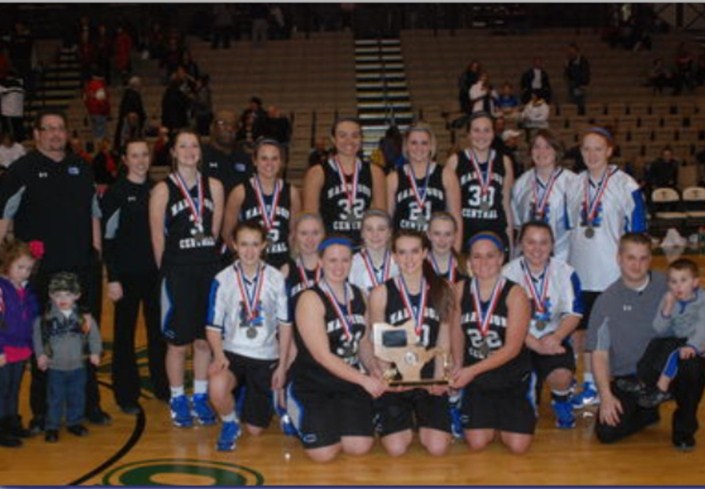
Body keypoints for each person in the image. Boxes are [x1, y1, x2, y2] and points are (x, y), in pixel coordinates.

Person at [0, 110, 110, 432]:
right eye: (47, 129)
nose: (55, 134)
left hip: (82, 269)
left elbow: (94, 214)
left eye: (60, 128)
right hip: (41, 273)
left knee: (86, 339)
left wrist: (97, 254)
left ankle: (89, 405)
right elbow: (4, 216)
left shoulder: (82, 167)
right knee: (42, 341)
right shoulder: (22, 170)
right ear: (36, 134)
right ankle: (41, 413)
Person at [587, 233, 704, 451]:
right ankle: (647, 410)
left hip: (669, 368)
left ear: (650, 259)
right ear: (619, 258)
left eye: (643, 258)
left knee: (694, 365)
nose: (637, 265)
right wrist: (606, 396)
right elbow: (599, 353)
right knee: (607, 432)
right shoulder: (606, 301)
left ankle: (684, 430)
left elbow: (699, 309)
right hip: (630, 379)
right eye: (631, 258)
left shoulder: (669, 284)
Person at [285, 237, 387, 462]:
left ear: (352, 261)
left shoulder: (359, 294)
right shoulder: (310, 298)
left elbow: (363, 343)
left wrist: (372, 368)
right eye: (332, 260)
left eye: (344, 260)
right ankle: (289, 403)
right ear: (320, 261)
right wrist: (364, 380)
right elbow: (322, 356)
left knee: (359, 446)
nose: (339, 266)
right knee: (324, 454)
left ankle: (334, 417)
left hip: (348, 382)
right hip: (313, 383)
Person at [149, 129, 224, 428]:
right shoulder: (163, 190)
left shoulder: (215, 186)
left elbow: (215, 233)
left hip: (208, 270)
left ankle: (201, 397)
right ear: (174, 152)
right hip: (177, 272)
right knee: (178, 344)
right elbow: (157, 239)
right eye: (183, 145)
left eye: (194, 145)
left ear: (200, 152)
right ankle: (178, 398)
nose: (189, 150)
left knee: (204, 341)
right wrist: (167, 274)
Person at [568, 127, 647, 410]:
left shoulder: (626, 185)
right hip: (580, 271)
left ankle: (616, 382)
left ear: (610, 150)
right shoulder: (574, 183)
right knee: (585, 333)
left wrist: (635, 273)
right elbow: (569, 229)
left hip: (612, 274)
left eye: (598, 148)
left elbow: (638, 231)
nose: (592, 154)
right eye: (586, 149)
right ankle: (589, 384)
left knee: (611, 333)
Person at [206, 221, 292, 451]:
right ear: (234, 245)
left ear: (264, 245)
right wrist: (218, 355)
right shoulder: (222, 279)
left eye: (255, 244)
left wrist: (282, 366)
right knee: (215, 386)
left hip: (265, 356)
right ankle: (230, 422)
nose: (249, 251)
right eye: (244, 244)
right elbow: (213, 327)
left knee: (255, 430)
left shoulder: (276, 279)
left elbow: (285, 326)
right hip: (233, 352)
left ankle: (271, 397)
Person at [368, 229, 455, 456]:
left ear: (425, 253)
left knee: (437, 448)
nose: (409, 259)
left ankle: (428, 418)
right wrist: (389, 379)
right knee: (396, 449)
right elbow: (381, 342)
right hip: (398, 379)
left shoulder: (442, 288)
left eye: (415, 251)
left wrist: (442, 377)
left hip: (429, 377)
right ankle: (397, 419)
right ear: (394, 256)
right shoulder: (381, 293)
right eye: (402, 253)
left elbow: (443, 337)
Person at [450, 232, 534, 454]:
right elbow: (457, 332)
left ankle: (528, 397)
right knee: (477, 443)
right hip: (478, 379)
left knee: (518, 446)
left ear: (500, 259)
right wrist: (459, 364)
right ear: (469, 261)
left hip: (510, 376)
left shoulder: (516, 294)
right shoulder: (459, 289)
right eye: (477, 256)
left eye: (490, 256)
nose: (483, 262)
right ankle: (468, 405)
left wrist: (470, 370)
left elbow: (512, 349)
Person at [101, 139, 168, 411]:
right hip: (126, 277)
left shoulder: (159, 190)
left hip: (155, 275)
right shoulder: (116, 193)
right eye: (134, 156)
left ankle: (163, 386)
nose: (140, 160)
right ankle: (126, 395)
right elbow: (107, 238)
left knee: (159, 334)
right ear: (125, 160)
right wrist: (112, 277)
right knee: (124, 336)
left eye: (144, 155)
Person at [502, 222, 584, 429]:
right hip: (520, 340)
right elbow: (505, 319)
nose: (537, 249)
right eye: (530, 242)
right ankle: (528, 390)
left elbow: (574, 314)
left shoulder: (566, 272)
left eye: (543, 242)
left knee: (561, 376)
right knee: (521, 405)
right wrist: (533, 343)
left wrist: (556, 337)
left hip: (553, 337)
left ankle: (561, 400)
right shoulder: (508, 274)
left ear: (552, 245)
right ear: (521, 243)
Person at [624, 258, 705, 411]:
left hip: (697, 342)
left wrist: (693, 345)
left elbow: (703, 326)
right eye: (673, 281)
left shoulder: (702, 301)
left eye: (683, 280)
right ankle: (641, 380)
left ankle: (662, 388)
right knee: (653, 343)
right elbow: (659, 329)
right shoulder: (668, 298)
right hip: (677, 338)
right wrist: (667, 308)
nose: (678, 286)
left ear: (695, 282)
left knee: (673, 351)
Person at [33, 272, 102, 443]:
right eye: (57, 295)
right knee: (55, 398)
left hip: (78, 366)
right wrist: (41, 355)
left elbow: (94, 336)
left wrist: (95, 352)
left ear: (77, 295)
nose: (62, 299)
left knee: (77, 395)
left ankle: (74, 422)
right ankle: (52, 426)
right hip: (55, 367)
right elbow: (38, 338)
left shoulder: (84, 318)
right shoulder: (46, 319)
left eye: (67, 295)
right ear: (51, 295)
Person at [302, 117, 386, 248]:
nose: (349, 141)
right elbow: (311, 220)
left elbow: (381, 217)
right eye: (342, 136)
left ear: (361, 139)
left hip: (365, 248)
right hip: (331, 249)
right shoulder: (317, 172)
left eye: (355, 135)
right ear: (333, 139)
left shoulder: (375, 172)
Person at [222, 138, 300, 270]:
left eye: (274, 158)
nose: (269, 163)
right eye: (264, 158)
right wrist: (244, 257)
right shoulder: (240, 192)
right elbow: (227, 233)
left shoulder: (292, 192)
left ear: (281, 162)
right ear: (255, 161)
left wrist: (289, 261)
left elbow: (294, 233)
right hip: (250, 263)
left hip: (281, 263)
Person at [444, 112, 515, 254]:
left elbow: (506, 206)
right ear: (468, 134)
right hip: (465, 235)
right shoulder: (455, 161)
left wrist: (511, 243)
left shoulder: (504, 161)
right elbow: (449, 207)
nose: (481, 136)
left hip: (495, 235)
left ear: (494, 133)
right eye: (476, 130)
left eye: (486, 130)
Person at [387, 123, 461, 240]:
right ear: (406, 146)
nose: (419, 148)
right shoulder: (393, 178)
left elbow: (456, 217)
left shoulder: (447, 175)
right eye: (414, 143)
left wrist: (455, 252)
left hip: (437, 247)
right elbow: (388, 220)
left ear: (431, 146)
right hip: (404, 250)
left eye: (424, 143)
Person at [512, 130, 577, 261]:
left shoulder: (573, 182)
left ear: (556, 150)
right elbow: (518, 225)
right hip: (529, 256)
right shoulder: (521, 182)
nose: (541, 152)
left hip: (562, 256)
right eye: (537, 147)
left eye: (548, 147)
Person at [0, 239, 41, 447]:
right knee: (2, 388)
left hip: (21, 347)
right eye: (20, 267)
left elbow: (33, 318)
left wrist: (33, 345)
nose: (25, 272)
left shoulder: (27, 290)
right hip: (4, 349)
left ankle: (11, 421)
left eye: (29, 269)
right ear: (8, 264)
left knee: (14, 388)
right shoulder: (1, 290)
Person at [201, 109, 253, 198]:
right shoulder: (200, 156)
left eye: (233, 125)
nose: (229, 128)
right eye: (222, 123)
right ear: (212, 127)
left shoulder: (245, 157)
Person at [348, 210, 399, 296]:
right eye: (369, 229)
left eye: (381, 229)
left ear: (390, 233)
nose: (375, 234)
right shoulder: (351, 262)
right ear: (362, 233)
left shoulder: (400, 262)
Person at [426, 212, 466, 283]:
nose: (442, 240)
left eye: (448, 234)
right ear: (428, 234)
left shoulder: (466, 266)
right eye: (437, 234)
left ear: (455, 236)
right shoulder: (419, 265)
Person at [564, 43, 590, 115]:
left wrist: (583, 84)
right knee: (573, 105)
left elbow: (586, 73)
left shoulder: (583, 61)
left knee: (580, 104)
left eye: (572, 51)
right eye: (569, 51)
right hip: (573, 85)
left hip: (581, 86)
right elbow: (568, 75)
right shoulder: (570, 61)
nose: (571, 53)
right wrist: (567, 67)